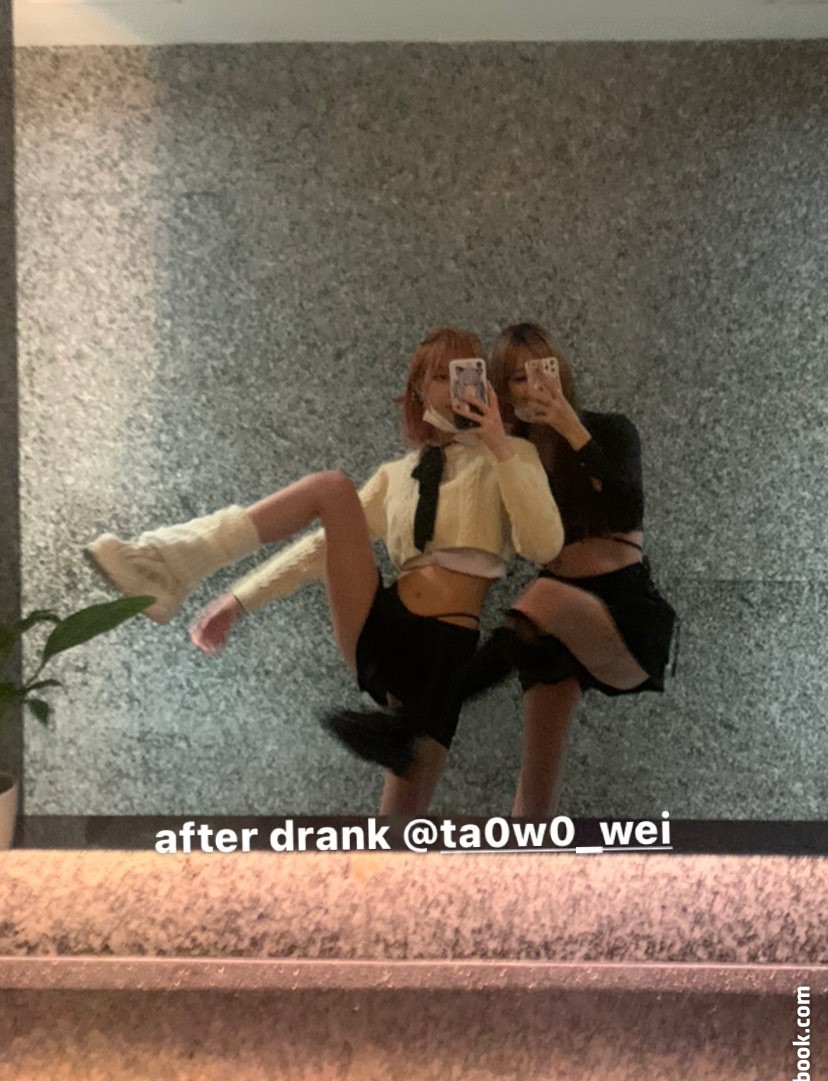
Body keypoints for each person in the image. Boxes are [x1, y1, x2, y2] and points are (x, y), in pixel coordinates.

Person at [85, 327, 564, 815]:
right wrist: (238, 600)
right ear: (418, 389)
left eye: (465, 372)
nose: (453, 387)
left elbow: (544, 544)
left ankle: (170, 564)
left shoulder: (510, 458)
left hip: (444, 653)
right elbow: (321, 549)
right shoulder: (396, 476)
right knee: (331, 490)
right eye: (439, 376)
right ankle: (169, 563)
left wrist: (499, 444)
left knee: (398, 824)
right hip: (384, 628)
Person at [465, 322, 677, 818]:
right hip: (551, 620)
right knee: (534, 795)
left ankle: (432, 711)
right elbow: (503, 543)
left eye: (541, 371)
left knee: (544, 596)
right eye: (517, 378)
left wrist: (570, 426)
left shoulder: (610, 430)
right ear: (503, 390)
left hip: (623, 608)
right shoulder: (515, 455)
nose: (532, 387)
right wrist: (486, 448)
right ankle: (525, 863)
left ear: (559, 370)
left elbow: (628, 508)